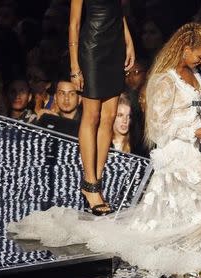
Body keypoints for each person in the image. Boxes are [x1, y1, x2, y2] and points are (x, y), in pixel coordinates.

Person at [8, 22, 201, 278]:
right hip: (181, 156)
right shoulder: (165, 79)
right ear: (184, 48)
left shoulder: (195, 76)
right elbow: (159, 125)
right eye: (199, 55)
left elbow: (192, 110)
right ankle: (182, 271)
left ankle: (191, 269)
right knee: (200, 210)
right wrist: (193, 130)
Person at [69, 0, 135, 215]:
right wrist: (74, 67)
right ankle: (89, 183)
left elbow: (119, 11)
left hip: (115, 46)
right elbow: (74, 23)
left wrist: (129, 41)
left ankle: (96, 182)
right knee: (93, 116)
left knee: (109, 117)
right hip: (93, 47)